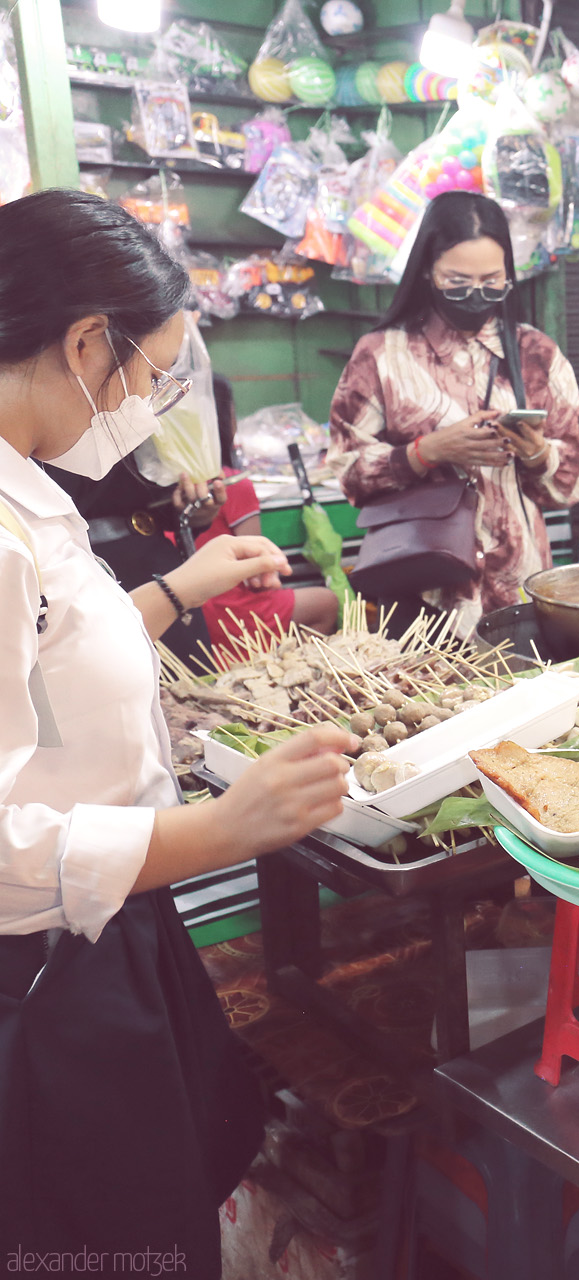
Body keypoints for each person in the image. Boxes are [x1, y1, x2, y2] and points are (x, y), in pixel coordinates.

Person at [0, 188, 352, 1270]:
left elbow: (42, 665)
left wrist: (174, 592)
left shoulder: (29, 497)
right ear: (83, 341)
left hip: (111, 928)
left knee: (171, 1169)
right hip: (42, 973)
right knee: (105, 1229)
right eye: (148, 374)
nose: (148, 405)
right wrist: (219, 831)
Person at [330, 192, 579, 634]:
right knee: (422, 705)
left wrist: (536, 453)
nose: (475, 295)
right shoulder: (380, 355)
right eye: (457, 280)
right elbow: (347, 472)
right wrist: (427, 451)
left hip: (519, 590)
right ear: (428, 269)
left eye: (492, 280)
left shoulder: (537, 356)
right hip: (421, 592)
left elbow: (571, 486)